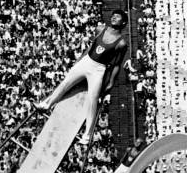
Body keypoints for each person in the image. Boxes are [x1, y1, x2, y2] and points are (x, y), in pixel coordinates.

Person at [34, 10, 129, 145]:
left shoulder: (121, 43)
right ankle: (46, 104)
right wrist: (80, 59)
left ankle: (87, 135)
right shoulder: (100, 28)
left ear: (123, 22)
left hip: (99, 69)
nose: (114, 17)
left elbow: (117, 65)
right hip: (87, 61)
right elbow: (91, 46)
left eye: (118, 16)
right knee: (66, 82)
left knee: (93, 99)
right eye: (113, 15)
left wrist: (111, 82)